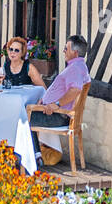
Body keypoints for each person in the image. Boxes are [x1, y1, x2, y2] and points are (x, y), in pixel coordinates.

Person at [27, 36, 90, 165]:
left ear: (75, 52)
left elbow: (75, 90)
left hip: (58, 116)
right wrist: (44, 101)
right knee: (25, 114)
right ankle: (37, 154)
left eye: (66, 48)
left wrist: (56, 104)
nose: (63, 51)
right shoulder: (79, 66)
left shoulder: (75, 69)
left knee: (22, 119)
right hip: (58, 114)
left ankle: (35, 156)